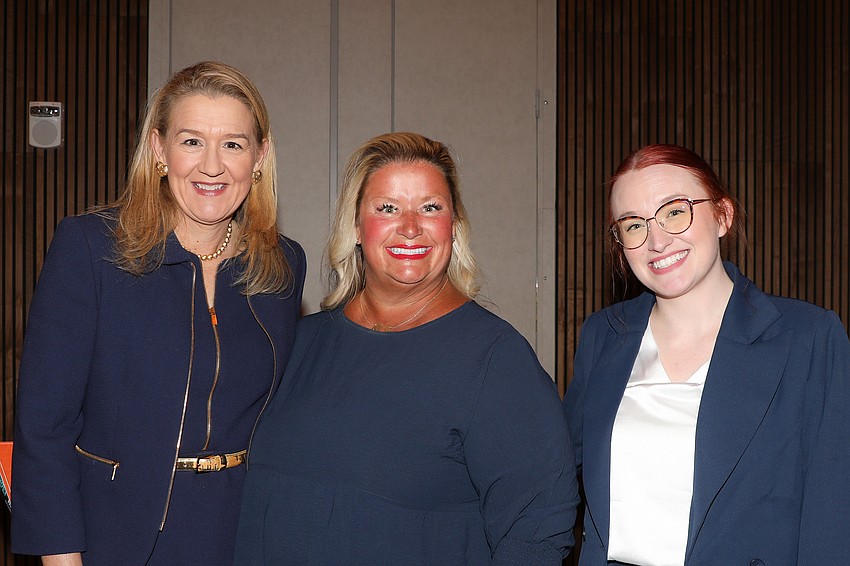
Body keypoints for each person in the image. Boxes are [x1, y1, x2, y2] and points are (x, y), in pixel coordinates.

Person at [234, 131, 578, 565]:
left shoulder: (496, 360)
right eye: (388, 208)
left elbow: (537, 531)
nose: (411, 226)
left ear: (454, 226)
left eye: (430, 208)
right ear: (357, 227)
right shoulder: (296, 343)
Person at [11, 61, 306, 565]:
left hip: (245, 532)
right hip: (117, 535)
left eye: (233, 144)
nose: (212, 166)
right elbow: (44, 427)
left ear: (260, 156)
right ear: (158, 150)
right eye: (191, 141)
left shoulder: (281, 264)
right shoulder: (90, 248)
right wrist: (62, 559)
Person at [563, 143, 850, 565]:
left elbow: (832, 513)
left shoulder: (809, 339)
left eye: (675, 211)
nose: (657, 241)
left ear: (722, 215)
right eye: (633, 225)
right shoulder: (603, 337)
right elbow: (552, 480)